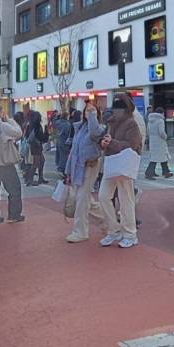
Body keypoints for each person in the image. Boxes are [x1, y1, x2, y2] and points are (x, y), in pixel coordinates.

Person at [98, 98, 142, 248]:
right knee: (103, 196)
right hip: (113, 163)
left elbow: (133, 145)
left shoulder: (132, 124)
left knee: (126, 199)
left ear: (125, 110)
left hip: (124, 164)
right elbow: (108, 141)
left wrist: (112, 143)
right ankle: (114, 230)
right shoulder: (111, 123)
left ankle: (130, 234)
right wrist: (103, 143)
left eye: (118, 109)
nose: (116, 111)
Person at [64, 102, 105, 243]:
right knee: (85, 199)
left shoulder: (99, 128)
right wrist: (68, 171)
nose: (88, 112)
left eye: (92, 110)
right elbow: (73, 152)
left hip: (90, 166)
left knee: (82, 199)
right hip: (78, 167)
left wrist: (93, 115)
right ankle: (109, 221)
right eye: (87, 110)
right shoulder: (80, 129)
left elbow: (95, 133)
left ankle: (80, 231)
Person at [145, 107, 173, 179]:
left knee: (157, 157)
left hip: (152, 141)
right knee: (159, 157)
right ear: (161, 113)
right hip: (159, 142)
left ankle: (165, 171)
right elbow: (161, 132)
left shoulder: (150, 120)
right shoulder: (160, 121)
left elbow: (147, 132)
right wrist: (165, 137)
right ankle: (149, 173)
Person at [24, 111, 49, 185]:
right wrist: (46, 132)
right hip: (37, 146)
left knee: (41, 161)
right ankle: (30, 180)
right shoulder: (37, 126)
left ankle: (39, 178)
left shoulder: (30, 125)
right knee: (37, 163)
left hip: (33, 146)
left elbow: (26, 136)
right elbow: (43, 138)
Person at [53, 111, 73, 176]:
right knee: (64, 155)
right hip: (64, 141)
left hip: (59, 140)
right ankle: (62, 169)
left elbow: (54, 122)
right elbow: (68, 133)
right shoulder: (67, 124)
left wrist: (56, 116)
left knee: (59, 154)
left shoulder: (58, 122)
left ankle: (59, 166)